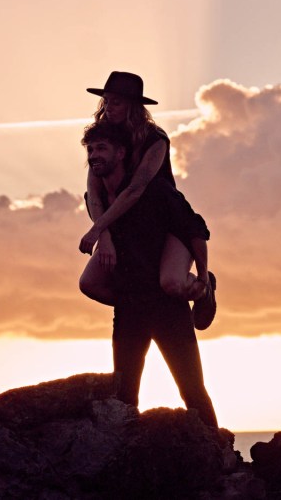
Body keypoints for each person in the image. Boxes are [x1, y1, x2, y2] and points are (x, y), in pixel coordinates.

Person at [82, 121, 217, 428]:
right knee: (125, 398)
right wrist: (103, 234)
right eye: (90, 149)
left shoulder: (154, 191)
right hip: (129, 309)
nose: (93, 155)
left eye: (101, 148)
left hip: (168, 308)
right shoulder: (99, 202)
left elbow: (196, 228)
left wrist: (203, 275)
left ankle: (220, 456)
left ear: (121, 152)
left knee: (192, 392)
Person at [78, 71, 217, 330]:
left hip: (166, 217)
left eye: (116, 102)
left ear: (133, 106)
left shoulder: (155, 140)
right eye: (106, 101)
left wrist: (97, 229)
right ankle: (137, 307)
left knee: (171, 283)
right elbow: (93, 194)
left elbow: (135, 189)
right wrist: (104, 235)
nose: (108, 108)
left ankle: (202, 290)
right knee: (89, 283)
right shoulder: (102, 140)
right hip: (123, 222)